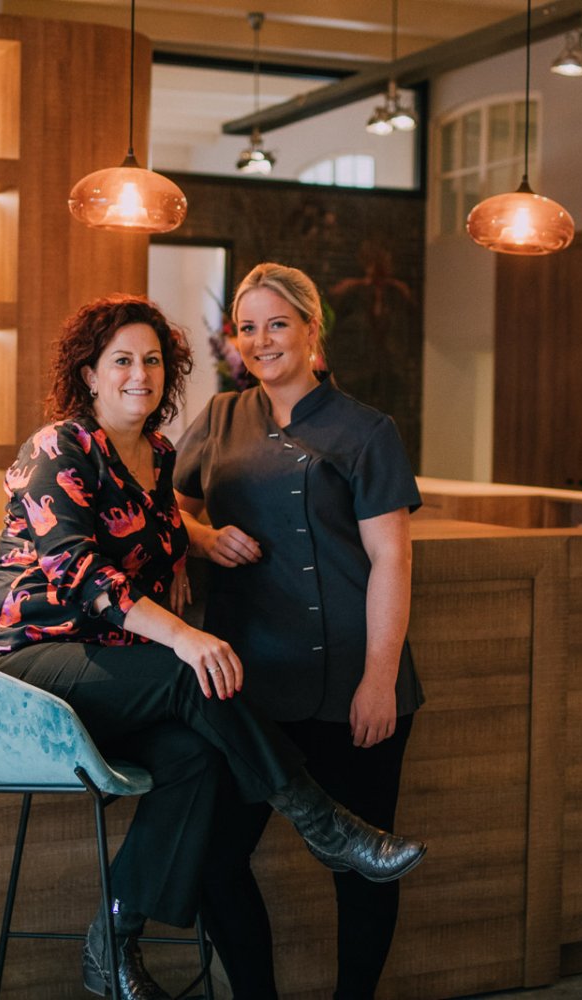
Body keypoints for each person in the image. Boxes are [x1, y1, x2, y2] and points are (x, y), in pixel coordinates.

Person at [0, 294, 426, 1000]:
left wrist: (195, 544)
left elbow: (165, 527)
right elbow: (79, 573)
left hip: (106, 669)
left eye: (151, 360)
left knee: (198, 757)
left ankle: (112, 935)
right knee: (189, 674)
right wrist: (182, 636)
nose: (139, 374)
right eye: (121, 361)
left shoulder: (157, 456)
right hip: (20, 663)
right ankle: (322, 822)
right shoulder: (58, 447)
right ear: (89, 374)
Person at [174, 263, 427, 1000]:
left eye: (277, 324)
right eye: (247, 328)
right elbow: (168, 512)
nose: (261, 340)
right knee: (215, 860)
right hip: (244, 682)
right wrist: (203, 538)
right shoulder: (219, 418)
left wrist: (379, 679)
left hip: (350, 677)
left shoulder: (367, 430)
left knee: (361, 865)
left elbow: (391, 559)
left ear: (312, 331)